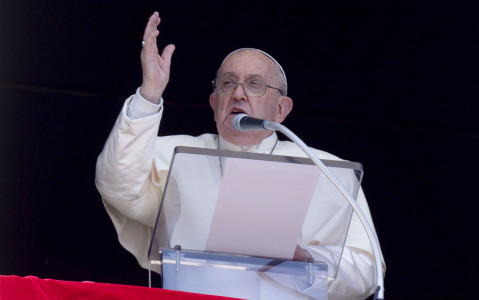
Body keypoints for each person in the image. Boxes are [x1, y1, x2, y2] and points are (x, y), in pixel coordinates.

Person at [96, 11, 385, 299]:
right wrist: (149, 94)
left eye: (255, 84)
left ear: (281, 109)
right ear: (214, 102)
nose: (238, 94)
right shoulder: (174, 154)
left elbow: (367, 271)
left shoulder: (324, 166)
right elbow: (117, 186)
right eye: (228, 83)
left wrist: (304, 258)